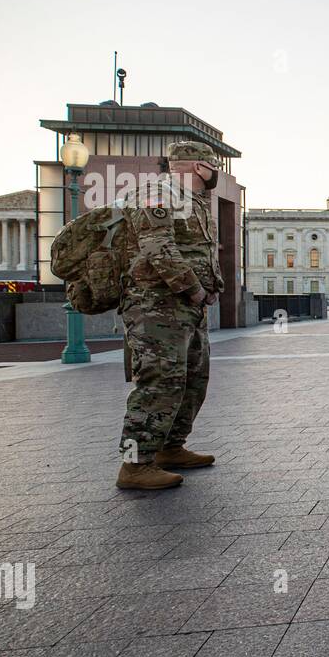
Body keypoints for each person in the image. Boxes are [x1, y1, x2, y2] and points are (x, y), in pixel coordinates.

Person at [115, 141, 224, 490]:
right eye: (212, 166)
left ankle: (170, 447)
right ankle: (134, 464)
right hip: (155, 306)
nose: (215, 173)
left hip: (189, 308)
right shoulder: (155, 193)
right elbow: (158, 248)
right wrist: (193, 287)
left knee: (192, 380)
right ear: (197, 167)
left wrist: (213, 286)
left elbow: (202, 251)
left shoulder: (195, 203)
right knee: (159, 382)